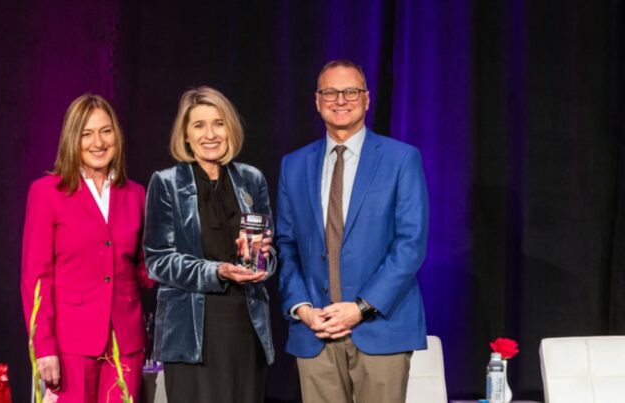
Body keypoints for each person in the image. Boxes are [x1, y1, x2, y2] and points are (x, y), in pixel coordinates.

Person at [276, 59, 429, 403]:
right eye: (330, 92)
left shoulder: (401, 159)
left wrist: (360, 308)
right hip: (316, 330)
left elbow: (410, 244)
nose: (340, 100)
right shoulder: (294, 165)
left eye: (350, 91)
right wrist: (302, 308)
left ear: (367, 99)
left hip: (381, 327)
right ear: (317, 101)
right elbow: (285, 246)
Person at [144, 86, 276, 403]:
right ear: (186, 135)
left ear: (229, 128)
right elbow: (158, 261)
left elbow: (270, 252)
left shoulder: (252, 179)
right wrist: (217, 271)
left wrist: (263, 261)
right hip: (192, 333)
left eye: (218, 123)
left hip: (245, 328)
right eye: (199, 125)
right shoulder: (166, 182)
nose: (210, 134)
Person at [21, 94, 154, 403]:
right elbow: (36, 278)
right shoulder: (46, 193)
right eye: (87, 133)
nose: (98, 142)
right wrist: (44, 347)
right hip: (70, 346)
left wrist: (182, 251)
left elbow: (142, 270)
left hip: (125, 343)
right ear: (72, 139)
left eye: (106, 131)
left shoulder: (135, 194)